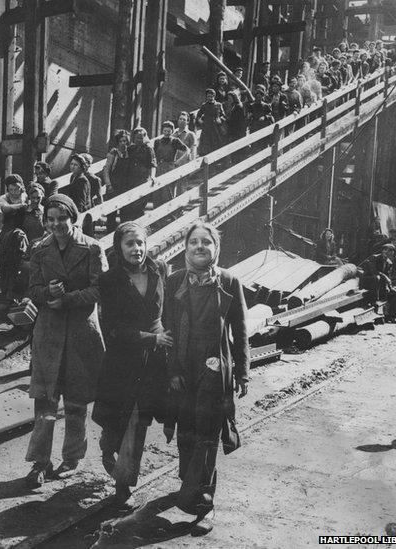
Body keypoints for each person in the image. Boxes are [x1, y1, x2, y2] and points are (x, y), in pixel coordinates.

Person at [164, 221, 249, 536]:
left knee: (207, 437)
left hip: (215, 371)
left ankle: (205, 503)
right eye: (194, 242)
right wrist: (171, 370)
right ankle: (190, 483)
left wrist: (242, 372)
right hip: (183, 370)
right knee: (187, 432)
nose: (200, 247)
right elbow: (168, 329)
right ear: (185, 248)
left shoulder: (229, 281)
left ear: (216, 249)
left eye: (206, 242)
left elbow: (239, 330)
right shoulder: (174, 282)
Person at [25, 193, 108, 487]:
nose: (56, 224)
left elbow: (102, 290)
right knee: (45, 402)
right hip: (48, 334)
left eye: (62, 218)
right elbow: (32, 289)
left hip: (80, 333)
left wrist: (68, 299)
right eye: (51, 219)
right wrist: (48, 292)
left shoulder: (93, 248)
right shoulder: (39, 249)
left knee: (75, 402)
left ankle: (72, 458)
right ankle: (39, 462)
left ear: (73, 218)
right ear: (45, 221)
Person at [93, 222, 172, 507]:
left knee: (139, 420)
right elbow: (113, 327)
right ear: (119, 247)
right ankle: (108, 444)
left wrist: (165, 337)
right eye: (129, 244)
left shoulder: (160, 270)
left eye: (140, 243)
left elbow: (168, 309)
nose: (136, 249)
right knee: (120, 417)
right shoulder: (109, 280)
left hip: (153, 360)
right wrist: (152, 339)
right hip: (123, 358)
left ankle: (123, 481)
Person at [0, 174, 28, 300]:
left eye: (16, 189)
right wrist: (20, 206)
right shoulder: (4, 198)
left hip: (22, 229)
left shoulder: (25, 196)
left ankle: (16, 289)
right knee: (4, 257)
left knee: (19, 259)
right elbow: (5, 208)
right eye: (11, 189)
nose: (14, 192)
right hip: (8, 230)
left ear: (21, 188)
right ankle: (4, 288)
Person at [361, 243, 396, 323]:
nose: (388, 252)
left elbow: (388, 277)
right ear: (383, 251)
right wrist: (385, 277)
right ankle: (374, 300)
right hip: (368, 281)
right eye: (386, 250)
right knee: (377, 278)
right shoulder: (374, 258)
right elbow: (373, 271)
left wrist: (388, 287)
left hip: (379, 285)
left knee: (395, 293)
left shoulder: (389, 263)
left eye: (391, 251)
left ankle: (392, 316)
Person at [153, 120, 189, 206]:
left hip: (170, 168)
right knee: (157, 193)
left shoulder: (175, 141)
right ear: (162, 131)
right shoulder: (157, 141)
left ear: (172, 131)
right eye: (165, 131)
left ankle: (169, 215)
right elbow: (154, 155)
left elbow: (187, 150)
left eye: (169, 131)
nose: (166, 133)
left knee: (168, 192)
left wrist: (179, 161)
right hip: (159, 168)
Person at [103, 129, 131, 233]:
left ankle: (123, 234)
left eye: (125, 141)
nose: (123, 143)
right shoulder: (113, 154)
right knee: (111, 214)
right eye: (121, 141)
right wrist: (108, 185)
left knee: (125, 212)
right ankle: (109, 234)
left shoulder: (129, 153)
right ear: (118, 142)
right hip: (113, 187)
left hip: (125, 187)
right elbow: (106, 171)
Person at [126, 127, 156, 219]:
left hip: (142, 179)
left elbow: (153, 164)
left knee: (139, 204)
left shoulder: (148, 149)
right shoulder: (131, 148)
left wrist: (152, 177)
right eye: (137, 138)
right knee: (130, 204)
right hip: (131, 179)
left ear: (144, 138)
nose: (139, 140)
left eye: (141, 138)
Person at [196, 88, 226, 156]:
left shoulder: (218, 105)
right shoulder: (204, 105)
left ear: (214, 96)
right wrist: (200, 121)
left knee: (216, 144)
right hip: (206, 128)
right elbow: (198, 116)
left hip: (216, 128)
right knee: (206, 145)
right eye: (208, 96)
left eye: (211, 96)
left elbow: (224, 116)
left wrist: (220, 120)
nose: (210, 98)